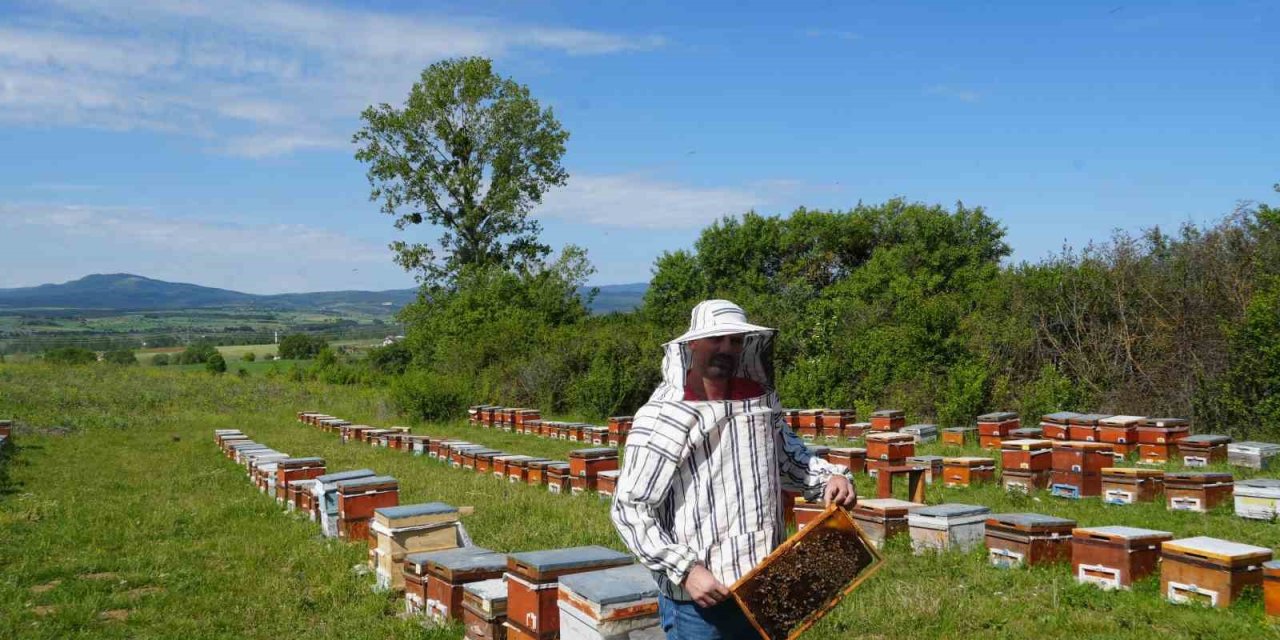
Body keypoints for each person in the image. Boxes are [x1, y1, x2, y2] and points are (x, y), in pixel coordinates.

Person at [611, 299, 856, 640]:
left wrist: (830, 478)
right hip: (701, 600)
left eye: (736, 340)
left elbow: (789, 457)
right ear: (692, 344)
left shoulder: (756, 404)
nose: (727, 348)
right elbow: (630, 508)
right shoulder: (663, 417)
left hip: (766, 585)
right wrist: (686, 570)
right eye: (717, 339)